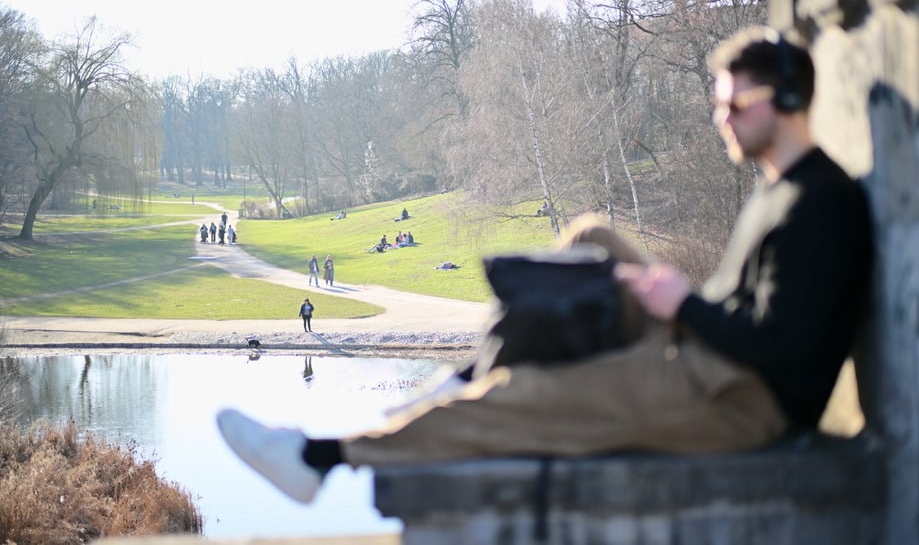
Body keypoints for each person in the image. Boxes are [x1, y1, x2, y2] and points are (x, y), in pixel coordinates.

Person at [217, 27, 874, 506]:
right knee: (590, 238)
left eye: (735, 105)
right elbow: (750, 309)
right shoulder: (778, 187)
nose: (720, 119)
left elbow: (784, 351)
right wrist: (662, 299)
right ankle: (466, 376)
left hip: (741, 404)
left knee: (525, 398)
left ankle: (320, 457)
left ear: (787, 97)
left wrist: (683, 305)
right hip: (710, 357)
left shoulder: (821, 205)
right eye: (716, 104)